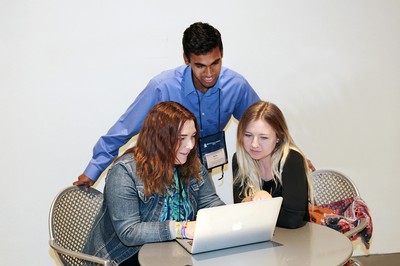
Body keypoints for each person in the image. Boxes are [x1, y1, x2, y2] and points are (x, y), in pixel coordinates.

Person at [74, 22, 260, 187]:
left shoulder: (235, 86)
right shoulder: (163, 87)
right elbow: (124, 129)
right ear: (186, 60)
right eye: (200, 66)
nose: (209, 73)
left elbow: (262, 124)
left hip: (200, 175)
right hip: (161, 178)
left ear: (222, 55)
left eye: (215, 63)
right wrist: (93, 170)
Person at [83, 102, 225, 265]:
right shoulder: (125, 171)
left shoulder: (191, 163)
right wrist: (181, 229)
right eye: (181, 139)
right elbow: (129, 232)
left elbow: (210, 203)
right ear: (159, 139)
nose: (190, 145)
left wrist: (231, 217)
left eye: (193, 137)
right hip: (124, 257)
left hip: (173, 253)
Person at [232, 101, 313, 229]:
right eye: (248, 135)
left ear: (278, 137)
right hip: (258, 238)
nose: (254, 144)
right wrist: (254, 198)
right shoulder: (239, 159)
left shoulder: (292, 159)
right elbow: (238, 209)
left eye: (263, 138)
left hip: (295, 242)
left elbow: (292, 219)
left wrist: (257, 205)